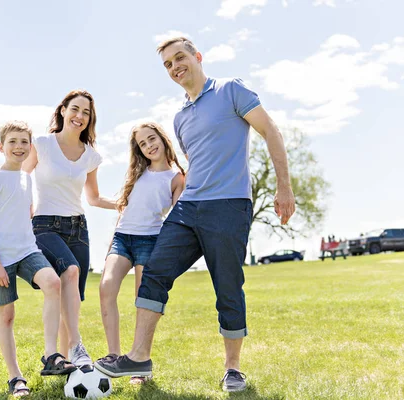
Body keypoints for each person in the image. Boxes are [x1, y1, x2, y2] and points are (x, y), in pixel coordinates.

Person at [95, 37, 296, 393]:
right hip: (188, 208)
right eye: (168, 64)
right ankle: (139, 355)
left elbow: (270, 131)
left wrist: (284, 187)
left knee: (228, 287)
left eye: (180, 58)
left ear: (197, 57)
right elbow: (197, 162)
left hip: (229, 206)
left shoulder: (231, 90)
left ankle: (233, 369)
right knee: (155, 270)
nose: (175, 67)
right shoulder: (180, 117)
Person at [0, 121, 77, 397]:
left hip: (27, 251)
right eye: (12, 141)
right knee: (7, 316)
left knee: (53, 283)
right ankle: (15, 377)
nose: (18, 147)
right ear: (1, 147)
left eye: (23, 142)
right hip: (0, 259)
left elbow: (27, 212)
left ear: (29, 147)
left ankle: (50, 354)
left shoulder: (27, 178)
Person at [23, 90, 116, 366]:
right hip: (44, 225)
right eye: (75, 109)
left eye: (86, 112)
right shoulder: (41, 144)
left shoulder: (90, 156)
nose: (80, 116)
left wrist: (125, 202)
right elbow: (21, 178)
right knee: (70, 270)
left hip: (78, 229)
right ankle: (77, 345)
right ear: (63, 110)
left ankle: (65, 364)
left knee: (69, 298)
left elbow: (94, 198)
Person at [98, 122, 185, 384]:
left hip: (151, 240)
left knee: (142, 300)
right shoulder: (138, 172)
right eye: (143, 144)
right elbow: (125, 207)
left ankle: (139, 362)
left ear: (162, 138)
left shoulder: (177, 177)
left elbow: (178, 215)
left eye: (152, 139)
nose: (149, 146)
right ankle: (115, 358)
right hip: (123, 238)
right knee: (106, 287)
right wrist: (114, 236)